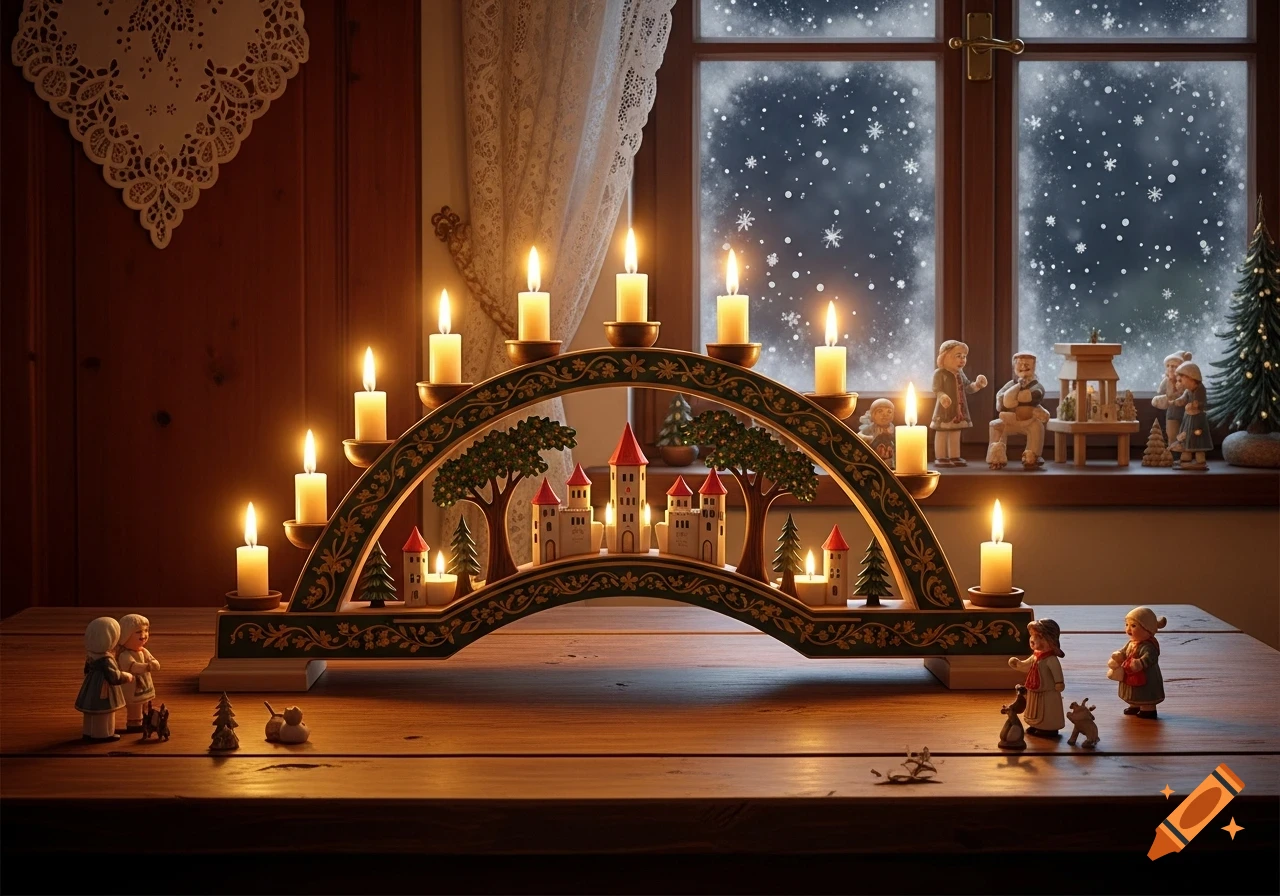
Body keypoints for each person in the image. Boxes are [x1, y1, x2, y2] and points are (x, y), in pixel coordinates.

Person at [986, 351, 1050, 469]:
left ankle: (1032, 456)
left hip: (1027, 420)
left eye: (1027, 364)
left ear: (1034, 366)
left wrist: (1016, 397)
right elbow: (1001, 399)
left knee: (1037, 427)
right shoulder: (1011, 384)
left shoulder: (1036, 386)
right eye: (1019, 364)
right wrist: (1007, 398)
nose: (1023, 367)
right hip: (1009, 420)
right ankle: (996, 457)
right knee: (995, 425)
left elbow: (1031, 396)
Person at [930, 340, 987, 467]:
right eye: (958, 356)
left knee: (956, 432)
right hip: (944, 409)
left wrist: (977, 385)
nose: (962, 360)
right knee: (942, 432)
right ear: (946, 356)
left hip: (959, 409)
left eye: (964, 357)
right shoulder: (940, 373)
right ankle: (941, 457)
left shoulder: (960, 373)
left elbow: (967, 387)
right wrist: (942, 396)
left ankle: (954, 455)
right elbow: (936, 389)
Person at [75, 617, 133, 741]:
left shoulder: (91, 655)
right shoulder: (106, 659)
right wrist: (126, 676)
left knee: (90, 711)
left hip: (90, 687)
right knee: (105, 712)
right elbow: (114, 677)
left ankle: (88, 732)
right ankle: (103, 734)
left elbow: (86, 670)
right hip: (104, 690)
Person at [1007, 619, 1065, 737]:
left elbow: (1057, 672)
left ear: (1050, 640)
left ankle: (1048, 728)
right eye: (1033, 636)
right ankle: (1034, 724)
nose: (1033, 640)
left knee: (1047, 709)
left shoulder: (1051, 659)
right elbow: (1027, 665)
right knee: (1033, 708)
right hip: (1034, 689)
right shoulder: (1035, 656)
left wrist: (1059, 682)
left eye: (1039, 636)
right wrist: (1018, 664)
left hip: (1047, 691)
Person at [1108, 607, 1167, 719]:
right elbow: (1124, 651)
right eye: (1127, 625)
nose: (1128, 629)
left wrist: (1140, 663)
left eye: (1133, 626)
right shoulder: (1131, 643)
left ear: (1147, 628)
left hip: (1147, 677)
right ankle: (1134, 705)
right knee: (1133, 691)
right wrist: (1118, 656)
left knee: (1145, 692)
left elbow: (1151, 657)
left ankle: (1148, 709)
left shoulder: (1148, 646)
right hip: (1130, 673)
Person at [116, 614, 160, 733]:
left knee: (146, 705)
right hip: (132, 687)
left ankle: (145, 721)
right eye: (138, 632)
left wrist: (154, 662)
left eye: (146, 631)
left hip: (145, 685)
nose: (143, 635)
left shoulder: (143, 651)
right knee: (135, 707)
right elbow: (133, 667)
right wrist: (148, 666)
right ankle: (134, 723)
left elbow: (151, 659)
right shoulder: (125, 655)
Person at [1169, 360, 1211, 470]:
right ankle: (1185, 458)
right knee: (1186, 437)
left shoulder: (1200, 389)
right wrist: (1174, 402)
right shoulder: (1188, 391)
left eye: (1181, 380)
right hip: (1188, 417)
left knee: (1196, 438)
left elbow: (1203, 404)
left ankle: (1200, 459)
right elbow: (1182, 399)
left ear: (1191, 378)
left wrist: (1196, 405)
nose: (1180, 383)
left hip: (1197, 418)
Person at [1150, 351, 1193, 447]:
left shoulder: (1185, 381)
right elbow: (1161, 392)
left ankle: (1186, 453)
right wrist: (1161, 400)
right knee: (1172, 434)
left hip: (1185, 413)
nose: (1170, 369)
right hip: (1171, 413)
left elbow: (1189, 395)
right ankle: (1173, 454)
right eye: (1168, 366)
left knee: (1185, 433)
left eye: (1173, 366)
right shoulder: (1166, 381)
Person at [858, 398, 896, 467]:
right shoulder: (870, 428)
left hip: (890, 457)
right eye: (880, 411)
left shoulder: (894, 429)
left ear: (893, 415)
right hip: (874, 459)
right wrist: (871, 437)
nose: (885, 415)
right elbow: (859, 437)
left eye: (889, 412)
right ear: (873, 415)